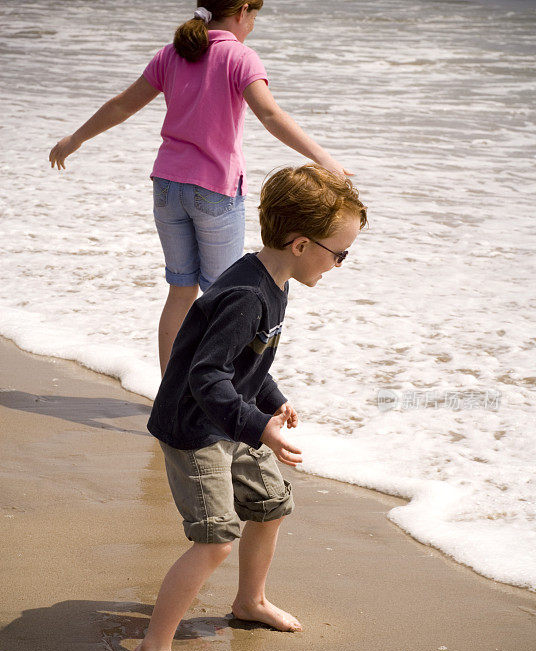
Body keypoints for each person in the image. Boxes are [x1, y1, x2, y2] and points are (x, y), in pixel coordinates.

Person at [129, 163, 368, 651]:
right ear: (302, 243)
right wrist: (260, 428)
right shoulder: (247, 294)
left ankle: (250, 600)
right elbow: (205, 376)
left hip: (235, 417)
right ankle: (152, 649)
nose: (341, 264)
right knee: (215, 540)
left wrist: (274, 400)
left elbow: (248, 360)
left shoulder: (274, 279)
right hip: (195, 429)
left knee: (269, 503)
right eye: (340, 253)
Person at [48, 1, 352, 374]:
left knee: (180, 290)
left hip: (166, 188)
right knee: (229, 298)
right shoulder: (240, 57)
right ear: (242, 11)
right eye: (254, 17)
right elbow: (271, 115)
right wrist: (323, 158)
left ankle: (168, 393)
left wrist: (75, 138)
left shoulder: (172, 53)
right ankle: (224, 396)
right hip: (214, 192)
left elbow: (123, 104)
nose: (253, 26)